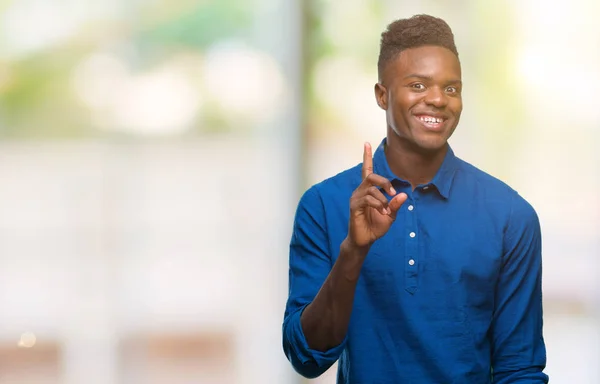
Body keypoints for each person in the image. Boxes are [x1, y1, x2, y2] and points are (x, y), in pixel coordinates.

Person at [281, 14, 548, 383]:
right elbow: (305, 357)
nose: (438, 99)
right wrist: (353, 252)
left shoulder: (510, 216)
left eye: (451, 88)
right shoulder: (323, 205)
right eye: (418, 85)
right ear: (382, 95)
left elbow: (520, 369)